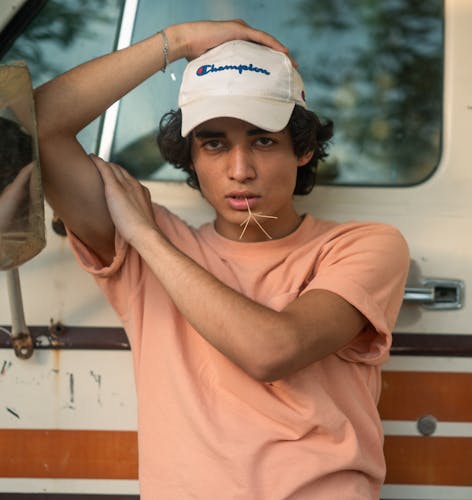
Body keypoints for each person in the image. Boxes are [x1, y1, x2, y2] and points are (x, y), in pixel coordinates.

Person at [34, 20, 409, 499]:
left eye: (263, 140)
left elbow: (272, 351)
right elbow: (35, 127)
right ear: (191, 157)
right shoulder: (160, 242)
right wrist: (179, 41)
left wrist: (145, 238)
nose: (240, 170)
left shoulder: (364, 246)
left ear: (305, 148)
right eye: (214, 143)